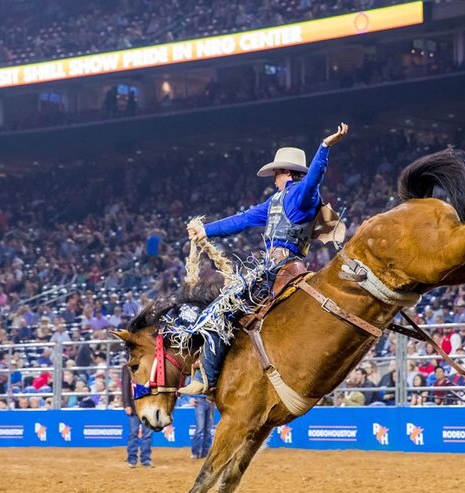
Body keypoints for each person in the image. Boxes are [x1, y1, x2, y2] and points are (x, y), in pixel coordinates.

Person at [178, 123, 349, 395]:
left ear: (288, 173)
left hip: (280, 270)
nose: (273, 179)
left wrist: (325, 147)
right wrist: (205, 230)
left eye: (277, 173)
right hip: (271, 270)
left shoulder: (301, 196)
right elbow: (242, 220)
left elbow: (314, 178)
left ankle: (208, 377)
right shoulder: (275, 201)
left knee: (217, 311)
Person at [121, 365, 152, 468]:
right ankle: (132, 459)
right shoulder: (127, 368)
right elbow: (125, 387)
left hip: (148, 406)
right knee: (133, 434)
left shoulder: (150, 365)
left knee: (146, 435)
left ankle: (145, 459)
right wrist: (127, 404)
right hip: (134, 406)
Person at [187, 372, 215, 459]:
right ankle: (195, 452)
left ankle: (205, 453)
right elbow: (188, 384)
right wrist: (190, 398)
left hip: (210, 401)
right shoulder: (196, 371)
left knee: (208, 429)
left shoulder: (213, 370)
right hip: (199, 401)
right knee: (200, 429)